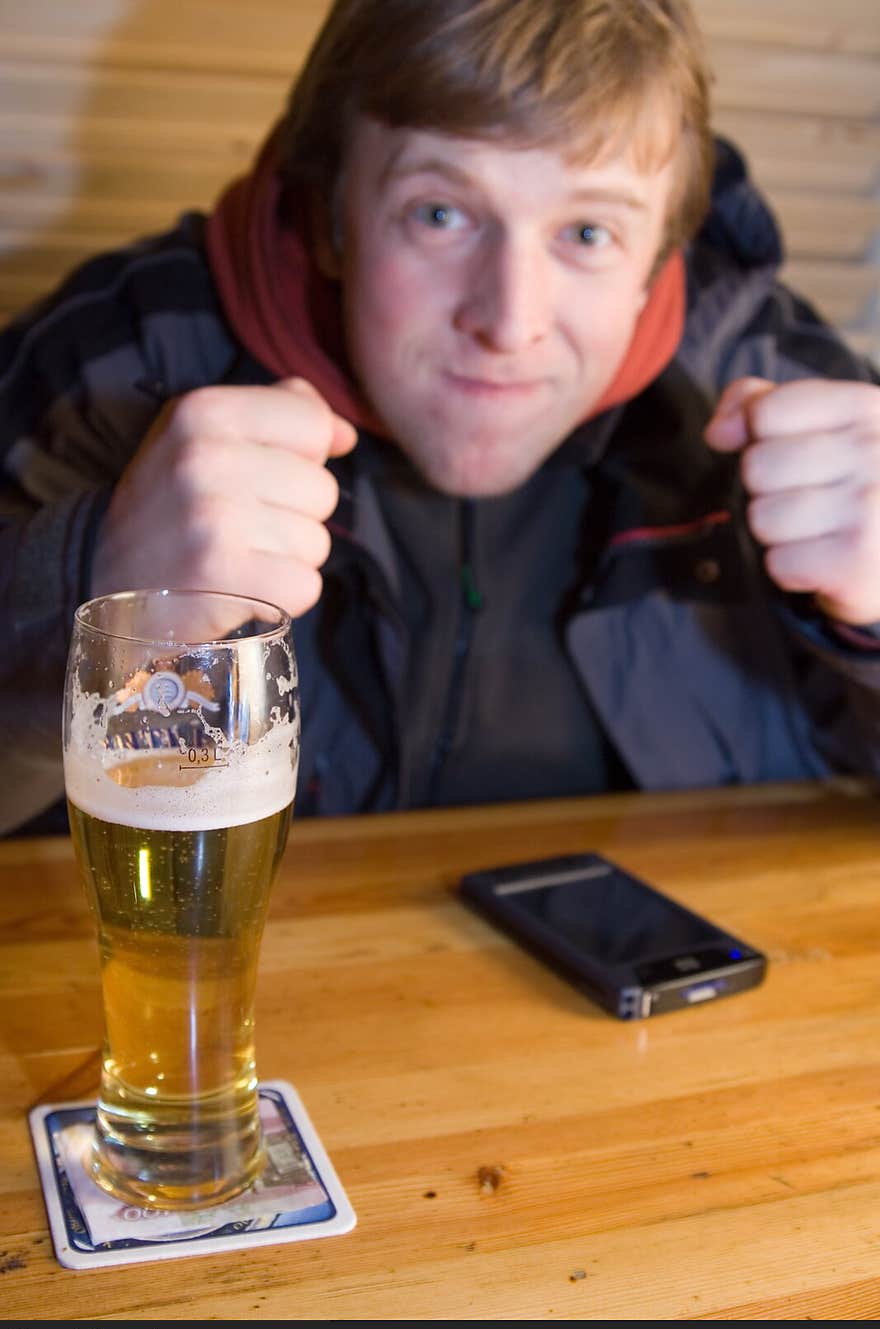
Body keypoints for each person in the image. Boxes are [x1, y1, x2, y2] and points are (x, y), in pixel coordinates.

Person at [1, 0, 879, 836]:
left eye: (586, 234)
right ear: (332, 218)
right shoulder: (117, 365)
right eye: (441, 213)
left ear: (660, 255)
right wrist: (87, 585)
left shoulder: (779, 384)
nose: (509, 322)